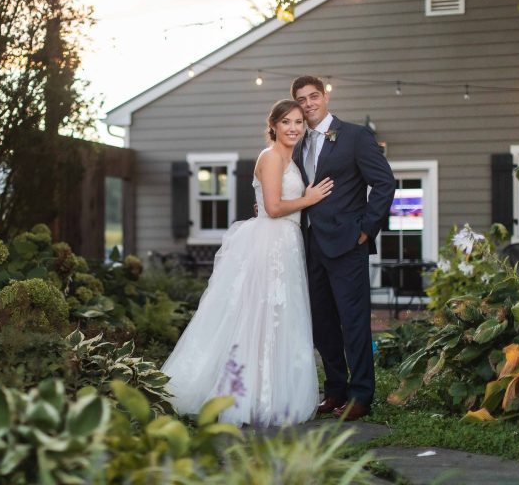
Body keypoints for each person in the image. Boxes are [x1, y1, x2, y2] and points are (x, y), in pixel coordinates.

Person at [161, 100, 333, 426]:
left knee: (279, 318)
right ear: (274, 125)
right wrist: (308, 199)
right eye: (286, 122)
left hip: (287, 243)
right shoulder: (269, 157)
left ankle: (270, 391)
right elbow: (272, 206)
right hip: (270, 243)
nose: (294, 127)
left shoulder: (289, 159)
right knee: (256, 316)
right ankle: (245, 394)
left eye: (298, 121)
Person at [291, 76, 395, 421]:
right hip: (309, 246)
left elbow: (384, 182)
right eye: (302, 99)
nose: (308, 104)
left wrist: (366, 229)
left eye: (313, 96)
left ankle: (361, 394)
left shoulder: (354, 136)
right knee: (322, 323)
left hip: (348, 244)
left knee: (353, 323)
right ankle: (335, 390)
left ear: (325, 96)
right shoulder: (298, 142)